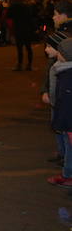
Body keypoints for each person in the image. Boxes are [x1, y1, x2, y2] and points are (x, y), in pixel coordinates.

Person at [49, 38, 72, 186]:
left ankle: (68, 175)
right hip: (66, 120)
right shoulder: (63, 70)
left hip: (68, 122)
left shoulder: (68, 75)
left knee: (70, 149)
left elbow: (65, 103)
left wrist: (59, 123)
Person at [8, 0, 37, 70]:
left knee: (19, 48)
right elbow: (30, 18)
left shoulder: (13, 6)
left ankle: (20, 64)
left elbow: (9, 17)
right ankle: (29, 65)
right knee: (28, 47)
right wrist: (34, 28)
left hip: (18, 28)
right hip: (26, 28)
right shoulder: (27, 6)